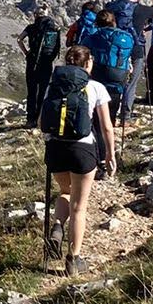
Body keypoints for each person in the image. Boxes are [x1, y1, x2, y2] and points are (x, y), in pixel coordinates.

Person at [38, 44, 117, 276]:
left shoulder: (53, 87)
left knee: (64, 191)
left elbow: (41, 122)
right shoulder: (96, 87)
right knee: (79, 206)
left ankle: (58, 227)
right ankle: (74, 260)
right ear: (88, 63)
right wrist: (110, 154)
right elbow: (106, 127)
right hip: (83, 150)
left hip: (55, 149)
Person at [112, 0, 153, 127]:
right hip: (135, 49)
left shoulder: (112, 8)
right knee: (131, 83)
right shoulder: (142, 9)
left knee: (115, 82)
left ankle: (110, 116)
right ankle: (126, 116)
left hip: (116, 48)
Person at [19, 4, 62, 128]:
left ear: (35, 15)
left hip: (33, 61)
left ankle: (30, 119)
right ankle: (41, 119)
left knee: (32, 91)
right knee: (44, 90)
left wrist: (26, 52)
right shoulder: (54, 27)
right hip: (47, 61)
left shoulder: (31, 27)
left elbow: (19, 40)